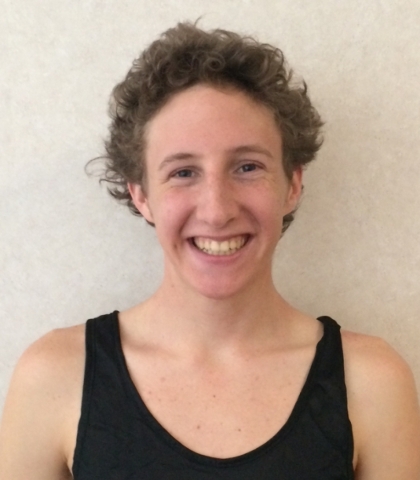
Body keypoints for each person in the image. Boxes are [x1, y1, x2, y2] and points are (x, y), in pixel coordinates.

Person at [0, 22, 419, 480]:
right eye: (183, 172)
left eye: (247, 167)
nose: (217, 211)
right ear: (141, 194)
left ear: (292, 185)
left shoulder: (371, 382)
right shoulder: (55, 377)